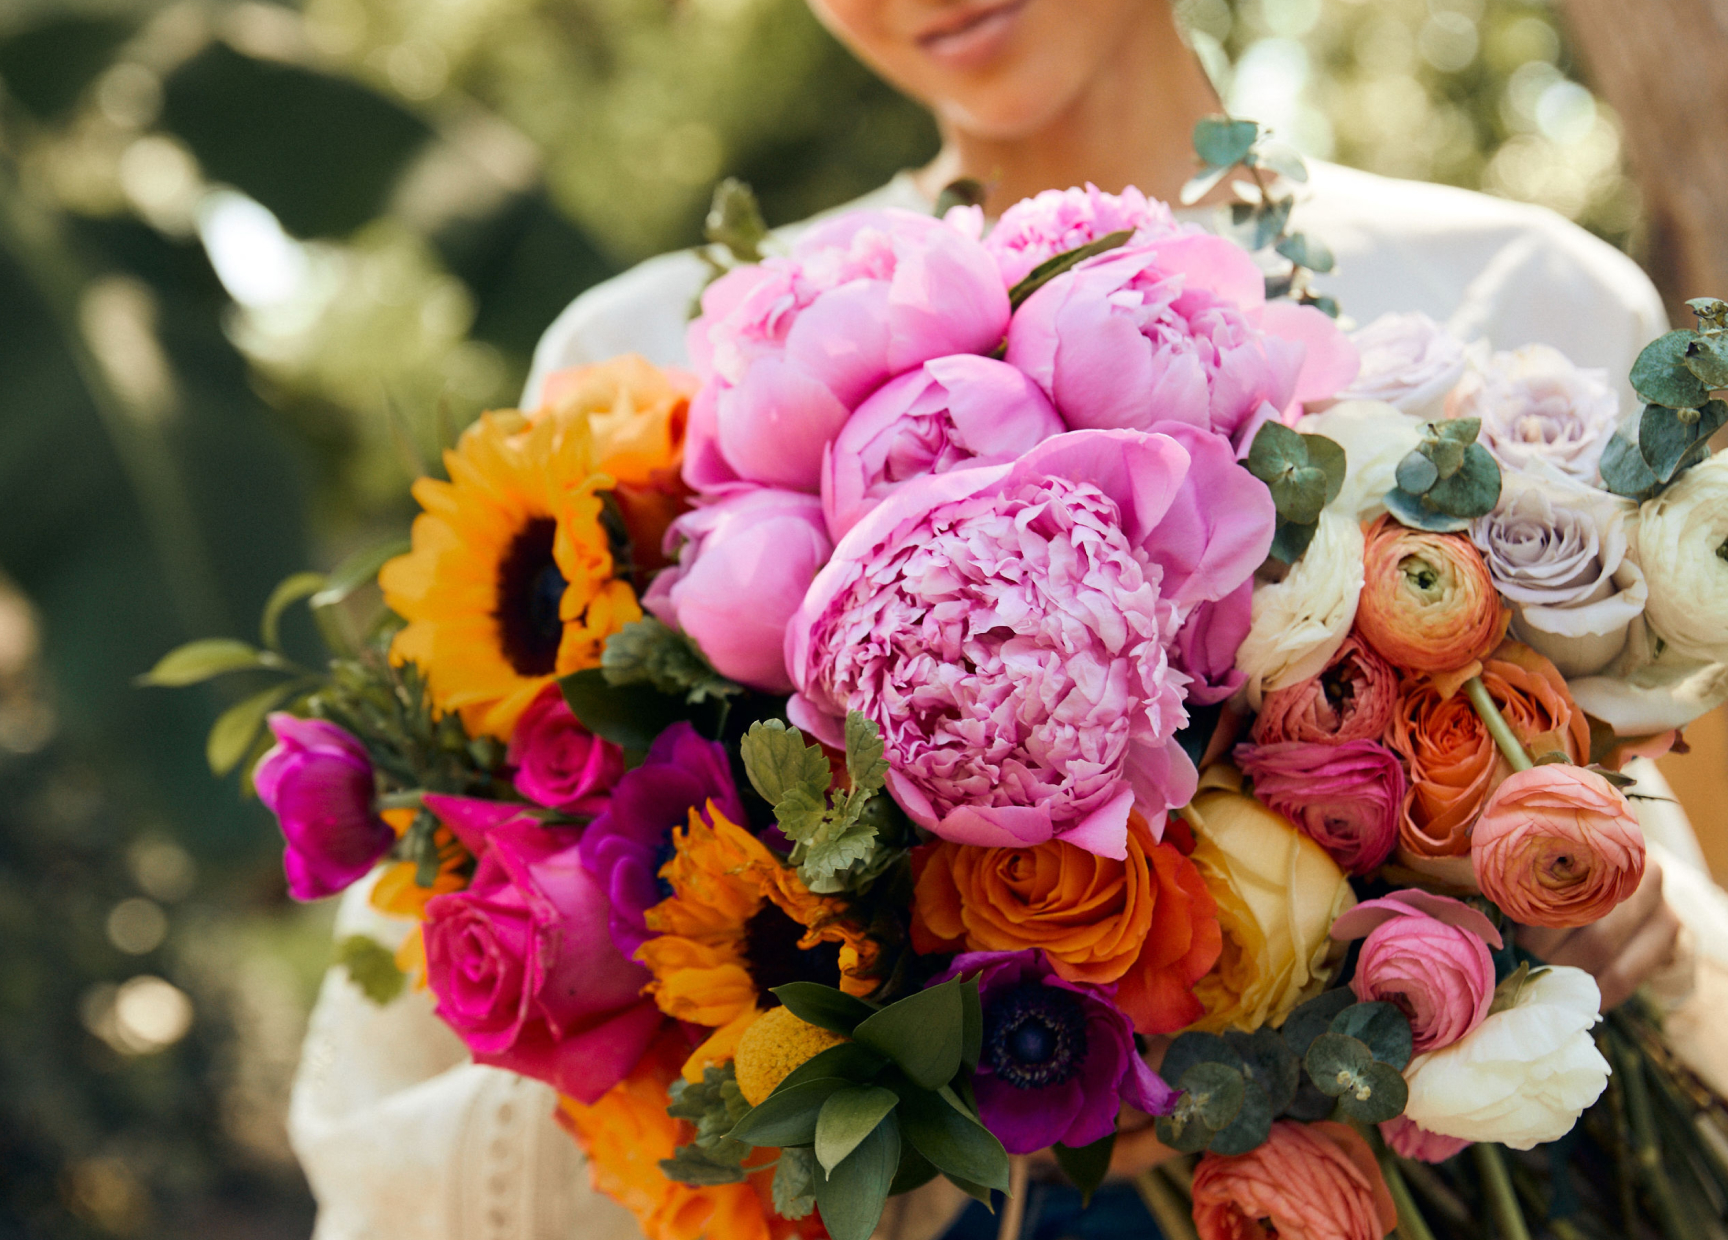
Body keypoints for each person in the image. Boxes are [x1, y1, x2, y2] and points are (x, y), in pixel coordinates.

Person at [288, 2, 1718, 1237]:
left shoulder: (1523, 298)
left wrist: (1571, 944)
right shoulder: (671, 342)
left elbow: (1682, 836)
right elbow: (516, 1013)